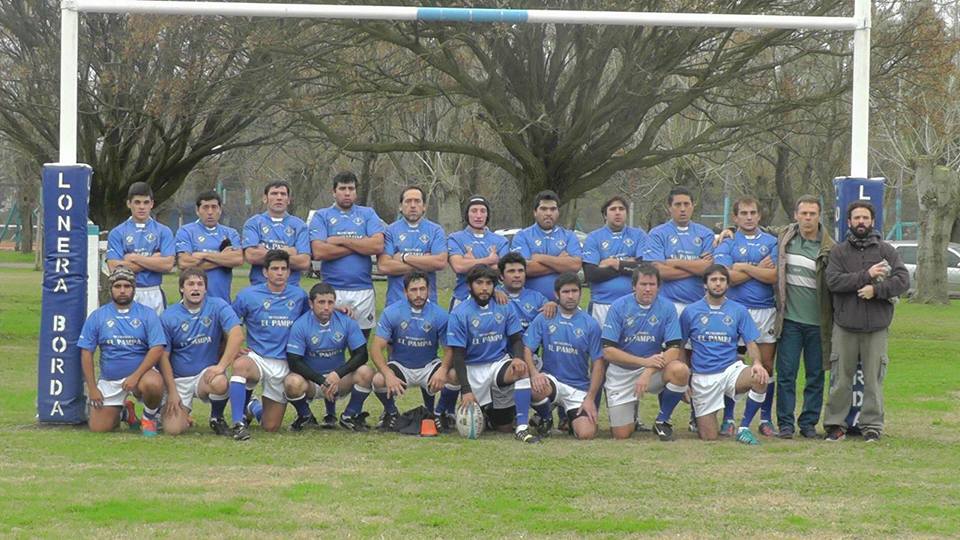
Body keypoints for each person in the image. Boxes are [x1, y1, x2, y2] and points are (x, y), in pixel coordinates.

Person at [824, 201, 909, 442]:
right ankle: (834, 425)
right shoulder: (839, 252)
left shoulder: (886, 251)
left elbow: (903, 281)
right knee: (841, 379)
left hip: (876, 328)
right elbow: (834, 282)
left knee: (873, 380)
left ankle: (872, 425)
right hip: (845, 325)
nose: (861, 222)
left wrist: (877, 289)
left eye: (865, 218)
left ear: (872, 221)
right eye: (856, 218)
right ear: (849, 222)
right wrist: (866, 276)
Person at [643, 186, 716, 430]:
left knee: (698, 360)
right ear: (669, 207)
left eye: (687, 204)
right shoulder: (657, 233)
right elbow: (657, 270)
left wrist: (672, 262)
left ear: (693, 205)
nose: (682, 209)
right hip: (667, 306)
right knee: (670, 360)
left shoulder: (705, 234)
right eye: (677, 205)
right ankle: (666, 415)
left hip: (698, 307)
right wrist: (693, 265)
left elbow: (708, 270)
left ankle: (697, 414)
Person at [446, 265, 540, 443]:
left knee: (521, 370)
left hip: (497, 364)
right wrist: (466, 390)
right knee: (452, 375)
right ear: (469, 286)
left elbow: (516, 339)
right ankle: (444, 413)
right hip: (472, 367)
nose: (484, 288)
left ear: (494, 286)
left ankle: (521, 427)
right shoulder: (459, 313)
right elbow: (458, 355)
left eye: (489, 283)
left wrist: (518, 358)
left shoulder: (505, 306)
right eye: (479, 283)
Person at [600, 263, 689, 441]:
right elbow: (608, 351)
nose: (648, 289)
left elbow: (673, 350)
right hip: (622, 372)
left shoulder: (667, 307)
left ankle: (662, 420)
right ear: (634, 286)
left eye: (652, 285)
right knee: (621, 435)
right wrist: (644, 362)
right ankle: (631, 412)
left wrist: (648, 371)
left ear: (659, 287)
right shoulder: (618, 306)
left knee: (680, 371)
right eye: (643, 284)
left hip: (653, 369)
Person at [712, 197, 778, 437]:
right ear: (735, 217)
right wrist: (758, 268)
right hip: (736, 310)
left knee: (767, 365)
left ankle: (764, 418)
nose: (749, 217)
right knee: (733, 365)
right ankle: (728, 418)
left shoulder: (772, 242)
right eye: (744, 213)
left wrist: (744, 267)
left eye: (753, 212)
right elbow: (724, 278)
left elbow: (773, 277)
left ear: (759, 215)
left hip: (765, 310)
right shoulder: (728, 242)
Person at [681, 265, 768, 444]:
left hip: (730, 371)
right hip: (703, 377)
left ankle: (743, 428)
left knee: (759, 377)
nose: (718, 284)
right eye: (713, 280)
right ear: (705, 285)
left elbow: (751, 342)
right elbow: (680, 347)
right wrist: (684, 380)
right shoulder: (690, 311)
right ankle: (701, 418)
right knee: (709, 437)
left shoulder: (738, 310)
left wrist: (757, 363)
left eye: (722, 280)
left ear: (727, 284)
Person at [228, 250, 310, 440]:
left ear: (289, 272)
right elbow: (230, 323)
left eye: (283, 269)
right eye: (275, 269)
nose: (279, 273)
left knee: (270, 426)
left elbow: (312, 319)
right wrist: (233, 348)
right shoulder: (248, 295)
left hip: (285, 362)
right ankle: (238, 423)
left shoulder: (299, 296)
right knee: (241, 365)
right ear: (265, 272)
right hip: (258, 358)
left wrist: (338, 310)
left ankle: (253, 407)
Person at [773, 195, 836, 439]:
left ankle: (808, 424)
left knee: (815, 376)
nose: (807, 218)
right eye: (803, 213)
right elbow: (757, 228)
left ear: (819, 216)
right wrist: (728, 231)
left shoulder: (829, 247)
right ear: (796, 215)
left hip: (818, 324)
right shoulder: (786, 238)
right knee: (786, 375)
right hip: (789, 322)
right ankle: (786, 425)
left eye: (812, 213)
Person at [78, 266, 169, 436]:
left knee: (154, 384)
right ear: (111, 288)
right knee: (99, 428)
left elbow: (157, 349)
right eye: (117, 286)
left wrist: (135, 376)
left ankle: (149, 417)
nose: (122, 290)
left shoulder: (147, 314)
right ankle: (126, 413)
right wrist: (92, 388)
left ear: (133, 289)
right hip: (110, 380)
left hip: (141, 376)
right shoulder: (98, 316)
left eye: (127, 286)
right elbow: (86, 352)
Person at [158, 268, 244, 436]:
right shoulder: (168, 316)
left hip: (205, 376)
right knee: (173, 430)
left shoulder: (218, 305)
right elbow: (163, 358)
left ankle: (216, 417)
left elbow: (237, 334)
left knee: (220, 382)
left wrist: (220, 367)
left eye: (200, 284)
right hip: (179, 380)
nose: (195, 288)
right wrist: (173, 391)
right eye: (190, 284)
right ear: (182, 288)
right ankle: (181, 415)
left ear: (206, 288)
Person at [370, 271, 457, 431]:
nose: (419, 294)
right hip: (401, 366)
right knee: (378, 380)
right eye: (413, 290)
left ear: (428, 290)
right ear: (405, 292)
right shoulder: (392, 312)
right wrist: (388, 374)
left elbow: (449, 349)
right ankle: (391, 412)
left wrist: (443, 370)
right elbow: (376, 348)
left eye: (422, 289)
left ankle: (438, 413)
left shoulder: (440, 315)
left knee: (454, 375)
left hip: (428, 366)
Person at [284, 283, 375, 432]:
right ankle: (305, 416)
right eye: (321, 302)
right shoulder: (300, 325)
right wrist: (322, 381)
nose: (326, 307)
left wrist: (337, 374)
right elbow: (294, 362)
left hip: (338, 380)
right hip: (313, 382)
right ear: (311, 304)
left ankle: (349, 415)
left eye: (330, 302)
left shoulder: (346, 321)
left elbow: (362, 355)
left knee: (366, 372)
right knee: (291, 383)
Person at [523, 273, 604, 440]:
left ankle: (567, 417)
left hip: (577, 387)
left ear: (581, 293)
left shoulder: (591, 324)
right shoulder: (545, 317)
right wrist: (534, 373)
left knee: (586, 434)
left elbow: (598, 364)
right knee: (533, 388)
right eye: (566, 292)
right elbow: (527, 349)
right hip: (551, 382)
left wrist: (590, 398)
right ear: (557, 294)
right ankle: (546, 417)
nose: (571, 296)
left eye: (575, 291)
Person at [310, 171, 385, 335]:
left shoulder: (367, 214)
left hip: (363, 290)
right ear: (333, 192)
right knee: (330, 341)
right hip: (332, 291)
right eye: (342, 188)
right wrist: (361, 243)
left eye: (351, 188)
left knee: (360, 346)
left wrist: (339, 240)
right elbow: (319, 251)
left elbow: (378, 245)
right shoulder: (322, 215)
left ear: (356, 192)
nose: (347, 193)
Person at [106, 182, 175, 314]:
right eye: (137, 202)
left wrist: (133, 258)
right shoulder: (117, 232)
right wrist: (153, 260)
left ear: (152, 204)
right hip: (127, 292)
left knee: (155, 333)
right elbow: (115, 268)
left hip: (153, 292)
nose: (142, 207)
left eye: (145, 202)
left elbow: (167, 265)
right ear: (129, 204)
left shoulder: (163, 231)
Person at [581, 196, 649, 326]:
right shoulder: (594, 238)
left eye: (621, 209)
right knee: (601, 345)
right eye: (613, 209)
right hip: (601, 305)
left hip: (632, 305)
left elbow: (645, 269)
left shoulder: (639, 235)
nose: (617, 212)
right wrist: (627, 265)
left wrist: (614, 263)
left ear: (626, 213)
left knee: (630, 346)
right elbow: (591, 274)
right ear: (605, 215)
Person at [377, 186, 448, 306]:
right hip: (396, 303)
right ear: (400, 206)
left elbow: (440, 262)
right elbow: (384, 266)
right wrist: (425, 262)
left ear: (424, 206)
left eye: (417, 201)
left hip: (428, 305)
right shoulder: (390, 231)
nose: (413, 205)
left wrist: (405, 257)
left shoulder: (436, 230)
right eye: (408, 201)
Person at [508, 190, 583, 300]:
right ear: (535, 212)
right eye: (543, 209)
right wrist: (560, 263)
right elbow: (524, 269)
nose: (548, 213)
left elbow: (575, 266)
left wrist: (540, 258)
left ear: (558, 212)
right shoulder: (522, 236)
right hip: (530, 304)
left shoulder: (569, 236)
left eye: (553, 209)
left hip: (563, 304)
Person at [175, 191, 243, 301]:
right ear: (197, 211)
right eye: (205, 207)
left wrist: (203, 255)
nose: (210, 212)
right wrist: (222, 259)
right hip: (193, 302)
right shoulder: (186, 231)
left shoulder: (231, 233)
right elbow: (184, 263)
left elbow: (238, 259)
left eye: (214, 207)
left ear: (220, 210)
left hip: (222, 301)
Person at [241, 180, 311, 287]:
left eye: (283, 194)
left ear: (288, 200)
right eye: (274, 193)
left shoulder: (300, 225)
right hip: (260, 287)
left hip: (290, 290)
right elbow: (251, 256)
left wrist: (265, 253)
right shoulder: (253, 223)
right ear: (265, 198)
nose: (279, 197)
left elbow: (304, 262)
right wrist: (288, 252)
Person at [447, 195, 509, 309]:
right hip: (462, 298)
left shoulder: (501, 241)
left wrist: (471, 262)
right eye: (474, 211)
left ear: (487, 215)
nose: (478, 215)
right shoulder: (455, 238)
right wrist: (489, 260)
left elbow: (503, 270)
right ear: (467, 214)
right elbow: (459, 266)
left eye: (483, 211)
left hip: (494, 299)